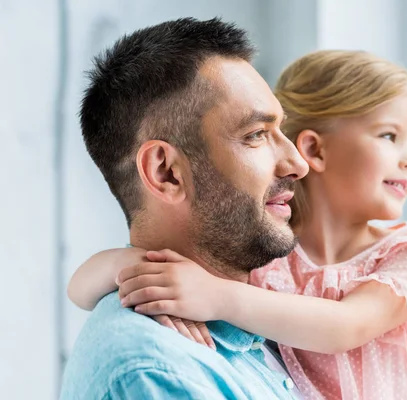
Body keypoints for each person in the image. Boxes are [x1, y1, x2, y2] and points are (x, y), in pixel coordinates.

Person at [70, 50, 407, 399]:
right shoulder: (269, 259)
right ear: (314, 148)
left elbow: (345, 327)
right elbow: (78, 288)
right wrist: (132, 266)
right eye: (389, 136)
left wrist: (213, 295)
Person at [60, 17, 310, 399]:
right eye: (257, 135)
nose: (298, 163)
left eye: (281, 131)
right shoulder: (156, 370)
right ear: (166, 172)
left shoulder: (266, 316)